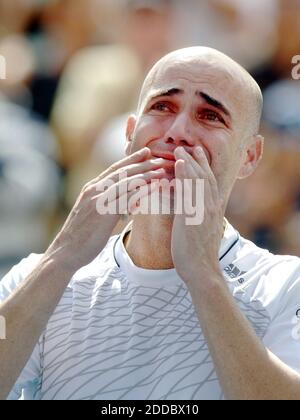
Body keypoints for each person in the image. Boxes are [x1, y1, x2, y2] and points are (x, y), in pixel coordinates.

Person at [1, 46, 300, 400]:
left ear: (249, 156)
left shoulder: (284, 284)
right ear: (130, 132)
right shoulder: (42, 277)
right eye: (162, 107)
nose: (177, 132)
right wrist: (61, 258)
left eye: (210, 116)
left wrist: (204, 277)